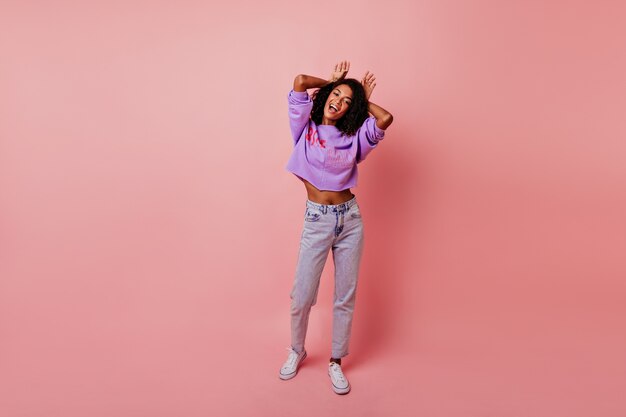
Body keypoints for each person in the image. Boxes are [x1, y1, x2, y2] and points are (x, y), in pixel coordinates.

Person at [278, 61, 393, 395]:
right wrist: (332, 82)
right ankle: (296, 350)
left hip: (350, 220)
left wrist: (362, 99)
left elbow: (384, 120)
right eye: (336, 95)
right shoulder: (305, 128)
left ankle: (336, 361)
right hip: (317, 220)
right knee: (302, 296)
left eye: (346, 102)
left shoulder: (355, 137)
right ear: (326, 95)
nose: (339, 102)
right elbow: (299, 81)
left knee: (345, 296)